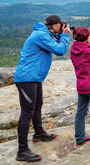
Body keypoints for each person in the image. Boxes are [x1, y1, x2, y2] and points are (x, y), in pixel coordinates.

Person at [14, 15, 71, 162]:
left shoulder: (45, 33)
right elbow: (59, 50)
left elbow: (55, 45)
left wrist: (60, 34)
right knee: (27, 112)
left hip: (34, 77)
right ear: (54, 25)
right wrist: (64, 36)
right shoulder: (40, 35)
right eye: (60, 25)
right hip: (26, 78)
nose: (62, 27)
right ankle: (22, 151)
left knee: (37, 106)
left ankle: (38, 133)